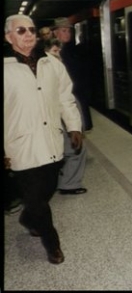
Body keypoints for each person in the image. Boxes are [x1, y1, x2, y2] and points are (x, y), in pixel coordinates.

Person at [4, 14, 83, 264]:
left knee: (46, 191)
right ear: (8, 37)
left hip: (50, 141)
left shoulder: (51, 63)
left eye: (31, 29)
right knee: (37, 199)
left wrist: (74, 127)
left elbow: (65, 98)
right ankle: (52, 244)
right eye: (21, 30)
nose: (28, 34)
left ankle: (27, 218)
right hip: (19, 144)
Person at [52, 17, 89, 195]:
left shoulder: (73, 50)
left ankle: (65, 180)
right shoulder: (53, 54)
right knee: (74, 146)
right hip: (63, 102)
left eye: (69, 30)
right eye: (63, 30)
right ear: (55, 32)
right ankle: (69, 184)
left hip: (74, 98)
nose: (67, 33)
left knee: (71, 143)